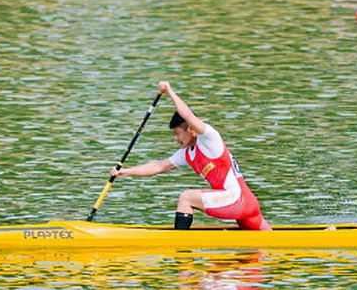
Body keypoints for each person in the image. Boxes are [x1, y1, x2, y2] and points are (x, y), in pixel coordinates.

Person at [111, 81, 271, 230]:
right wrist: (126, 172)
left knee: (186, 198)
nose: (176, 139)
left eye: (177, 133)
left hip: (237, 200)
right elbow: (158, 166)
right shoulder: (188, 153)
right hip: (245, 204)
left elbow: (188, 116)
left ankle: (179, 247)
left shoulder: (209, 139)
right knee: (260, 249)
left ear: (191, 130)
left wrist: (170, 92)